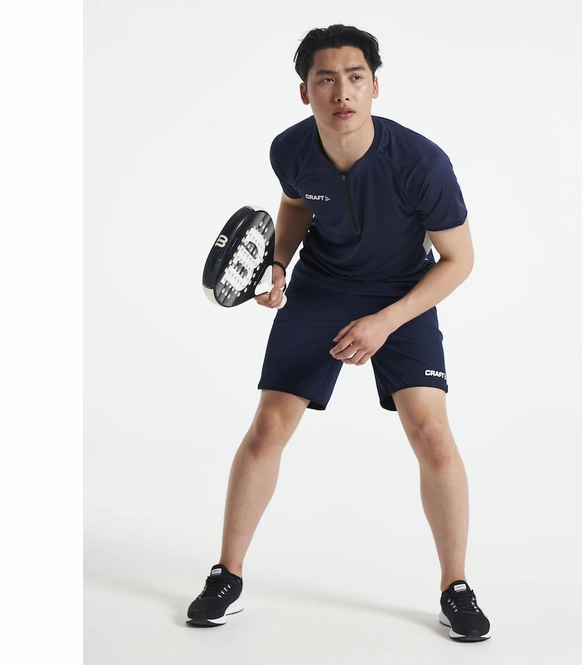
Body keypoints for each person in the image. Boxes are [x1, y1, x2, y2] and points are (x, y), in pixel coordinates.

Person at [187, 24, 491, 642]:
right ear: (305, 92)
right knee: (268, 426)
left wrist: (386, 321)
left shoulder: (422, 164)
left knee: (433, 436)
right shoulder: (289, 149)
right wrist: (278, 263)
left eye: (355, 77)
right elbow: (296, 204)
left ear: (375, 86)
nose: (341, 92)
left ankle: (455, 586)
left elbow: (459, 261)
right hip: (321, 289)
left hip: (403, 294)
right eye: (325, 79)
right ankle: (227, 575)